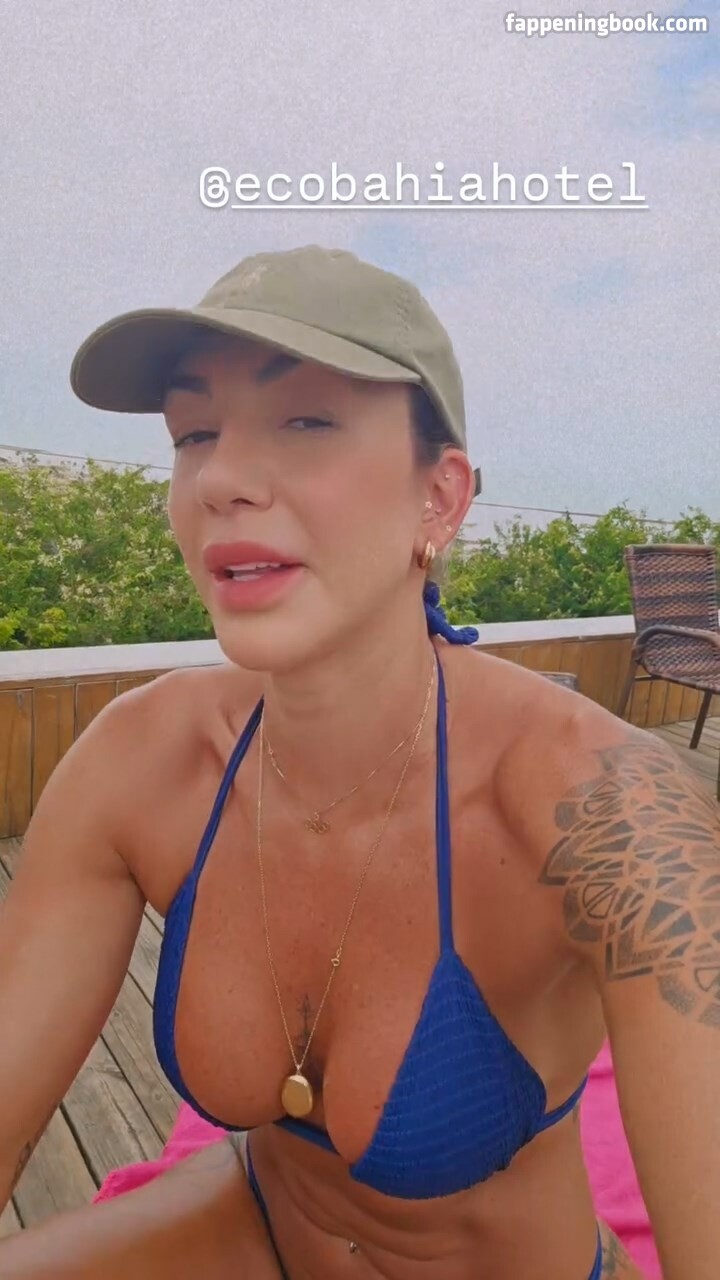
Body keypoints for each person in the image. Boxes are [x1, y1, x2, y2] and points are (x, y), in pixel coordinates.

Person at [0, 244, 717, 1279]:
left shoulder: (610, 813)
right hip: (258, 1222)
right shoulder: (142, 761)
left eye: (306, 421)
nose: (222, 479)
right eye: (194, 433)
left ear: (441, 497)